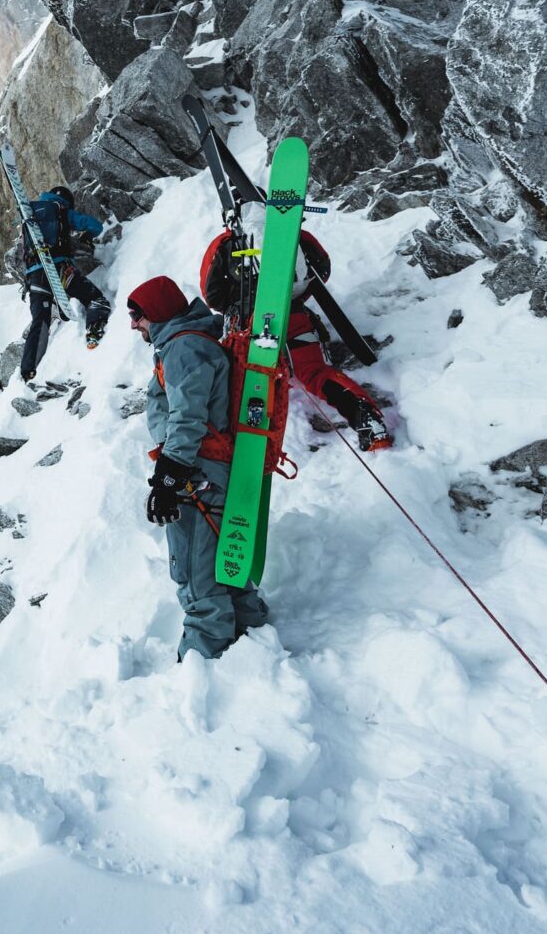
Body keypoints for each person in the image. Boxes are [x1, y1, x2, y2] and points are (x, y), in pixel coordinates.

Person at [129, 274, 269, 662]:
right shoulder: (190, 342)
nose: (132, 324)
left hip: (197, 473)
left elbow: (188, 417)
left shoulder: (184, 347)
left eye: (137, 315)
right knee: (221, 564)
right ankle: (254, 641)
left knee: (195, 572)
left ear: (156, 312)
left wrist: (169, 480)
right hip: (208, 468)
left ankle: (202, 662)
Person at [200, 228, 393, 451]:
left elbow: (211, 294)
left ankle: (247, 437)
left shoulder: (225, 241)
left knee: (251, 380)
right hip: (293, 315)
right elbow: (321, 268)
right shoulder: (290, 230)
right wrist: (295, 296)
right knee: (315, 373)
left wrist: (236, 301)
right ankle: (368, 422)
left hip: (248, 325)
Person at [19, 185, 112, 382]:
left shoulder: (30, 213)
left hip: (35, 276)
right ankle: (93, 328)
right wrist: (86, 236)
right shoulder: (63, 211)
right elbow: (95, 226)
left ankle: (28, 370)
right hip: (61, 269)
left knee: (40, 321)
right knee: (94, 298)